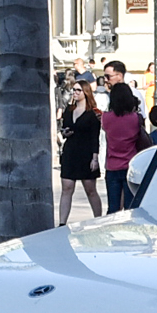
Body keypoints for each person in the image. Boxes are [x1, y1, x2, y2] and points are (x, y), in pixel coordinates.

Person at [58, 79, 105, 224]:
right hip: (70, 151)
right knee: (67, 187)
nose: (75, 93)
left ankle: (98, 219)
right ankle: (62, 222)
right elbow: (65, 128)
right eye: (74, 90)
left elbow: (94, 137)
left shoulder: (93, 114)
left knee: (90, 189)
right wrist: (65, 133)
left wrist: (95, 158)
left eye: (78, 90)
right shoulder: (69, 110)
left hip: (86, 153)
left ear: (85, 92)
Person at [101, 78, 149, 213]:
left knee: (113, 208)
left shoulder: (106, 117)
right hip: (131, 165)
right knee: (130, 208)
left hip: (112, 165)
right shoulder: (135, 118)